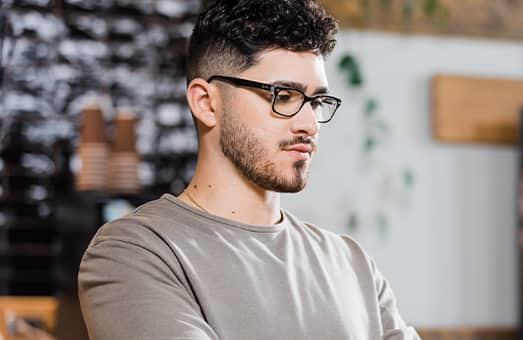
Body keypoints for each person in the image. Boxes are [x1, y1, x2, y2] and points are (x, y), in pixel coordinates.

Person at [77, 1, 419, 339]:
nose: (309, 124)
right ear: (206, 103)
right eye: (283, 96)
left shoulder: (352, 264)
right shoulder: (136, 251)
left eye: (316, 102)